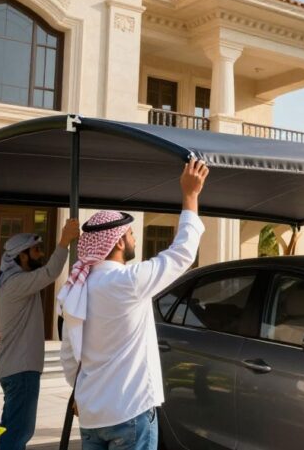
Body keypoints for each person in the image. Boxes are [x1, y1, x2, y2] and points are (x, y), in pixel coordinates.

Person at [58, 158, 210, 450]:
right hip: (129, 413)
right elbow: (182, 254)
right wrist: (190, 195)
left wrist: (78, 394)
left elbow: (68, 354)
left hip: (91, 415)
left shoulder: (75, 288)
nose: (134, 238)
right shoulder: (126, 282)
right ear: (117, 242)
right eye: (129, 234)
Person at [0, 218, 80, 450]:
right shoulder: (15, 282)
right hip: (20, 370)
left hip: (17, 368)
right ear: (22, 255)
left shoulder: (12, 279)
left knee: (13, 429)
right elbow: (51, 272)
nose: (40, 254)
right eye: (36, 250)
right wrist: (64, 241)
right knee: (19, 432)